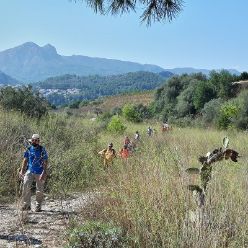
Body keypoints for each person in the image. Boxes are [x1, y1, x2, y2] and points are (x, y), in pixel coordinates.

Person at [19, 134, 48, 212]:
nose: (34, 142)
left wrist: (44, 172)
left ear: (38, 141)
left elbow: (45, 161)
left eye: (36, 140)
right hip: (30, 170)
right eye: (33, 140)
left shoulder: (42, 149)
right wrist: (22, 170)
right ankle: (27, 205)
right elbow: (25, 160)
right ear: (31, 140)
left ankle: (38, 206)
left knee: (39, 190)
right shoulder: (28, 149)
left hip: (40, 172)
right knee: (25, 185)